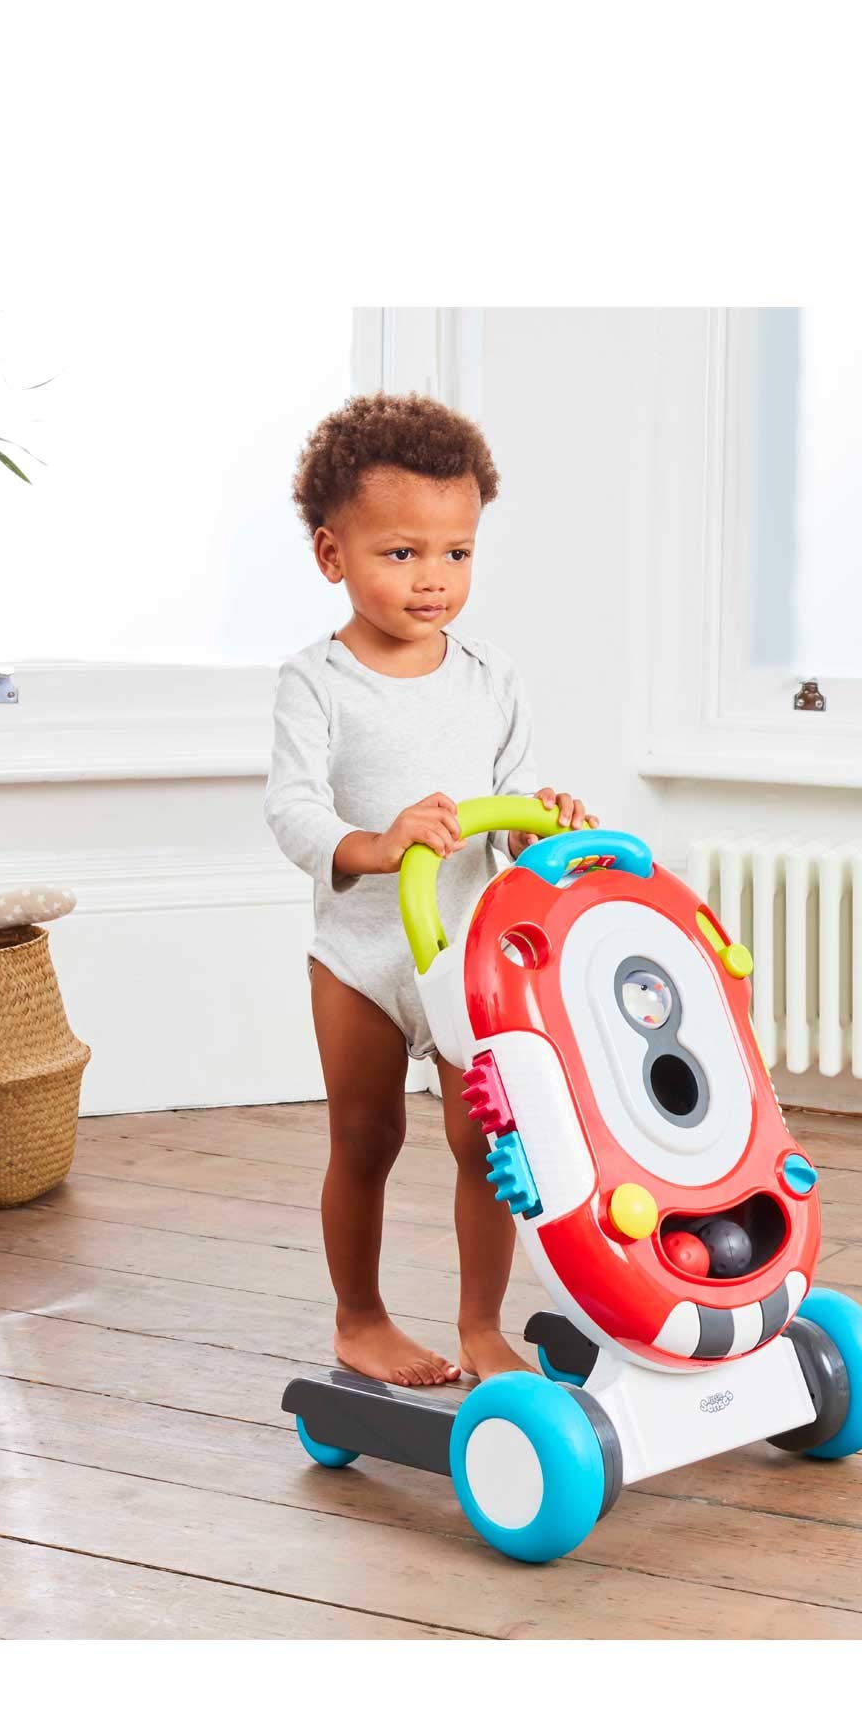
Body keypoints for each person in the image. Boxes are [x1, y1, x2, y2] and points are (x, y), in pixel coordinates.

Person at [265, 392, 595, 1386]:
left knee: (486, 1140)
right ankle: (359, 1319)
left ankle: (480, 1324)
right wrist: (377, 842)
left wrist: (541, 821)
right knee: (365, 1137)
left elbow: (509, 803)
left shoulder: (491, 675)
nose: (432, 578)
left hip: (468, 951)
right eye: (401, 552)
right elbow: (291, 808)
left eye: (456, 553)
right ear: (332, 554)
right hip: (362, 956)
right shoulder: (316, 681)